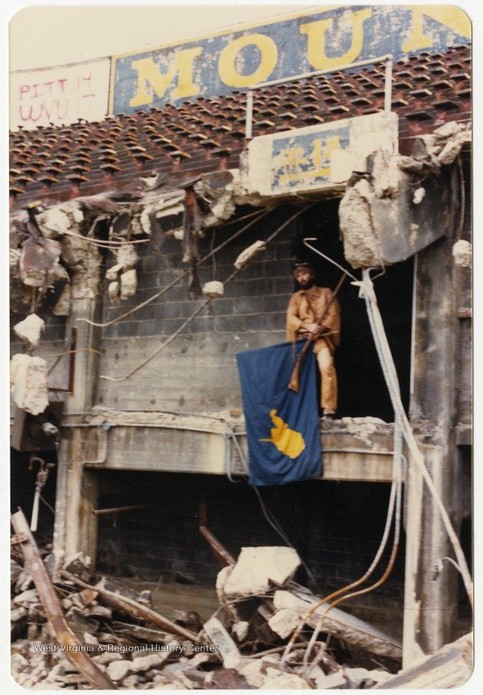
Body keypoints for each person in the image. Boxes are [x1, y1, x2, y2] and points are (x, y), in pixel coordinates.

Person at [286, 262, 341, 418]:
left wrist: (320, 328)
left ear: (312, 275)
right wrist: (307, 326)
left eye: (304, 274)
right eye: (298, 276)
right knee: (297, 374)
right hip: (302, 340)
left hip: (321, 339)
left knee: (327, 367)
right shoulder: (296, 298)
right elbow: (290, 318)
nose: (301, 278)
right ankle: (299, 411)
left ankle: (328, 409)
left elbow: (333, 315)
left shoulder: (326, 293)